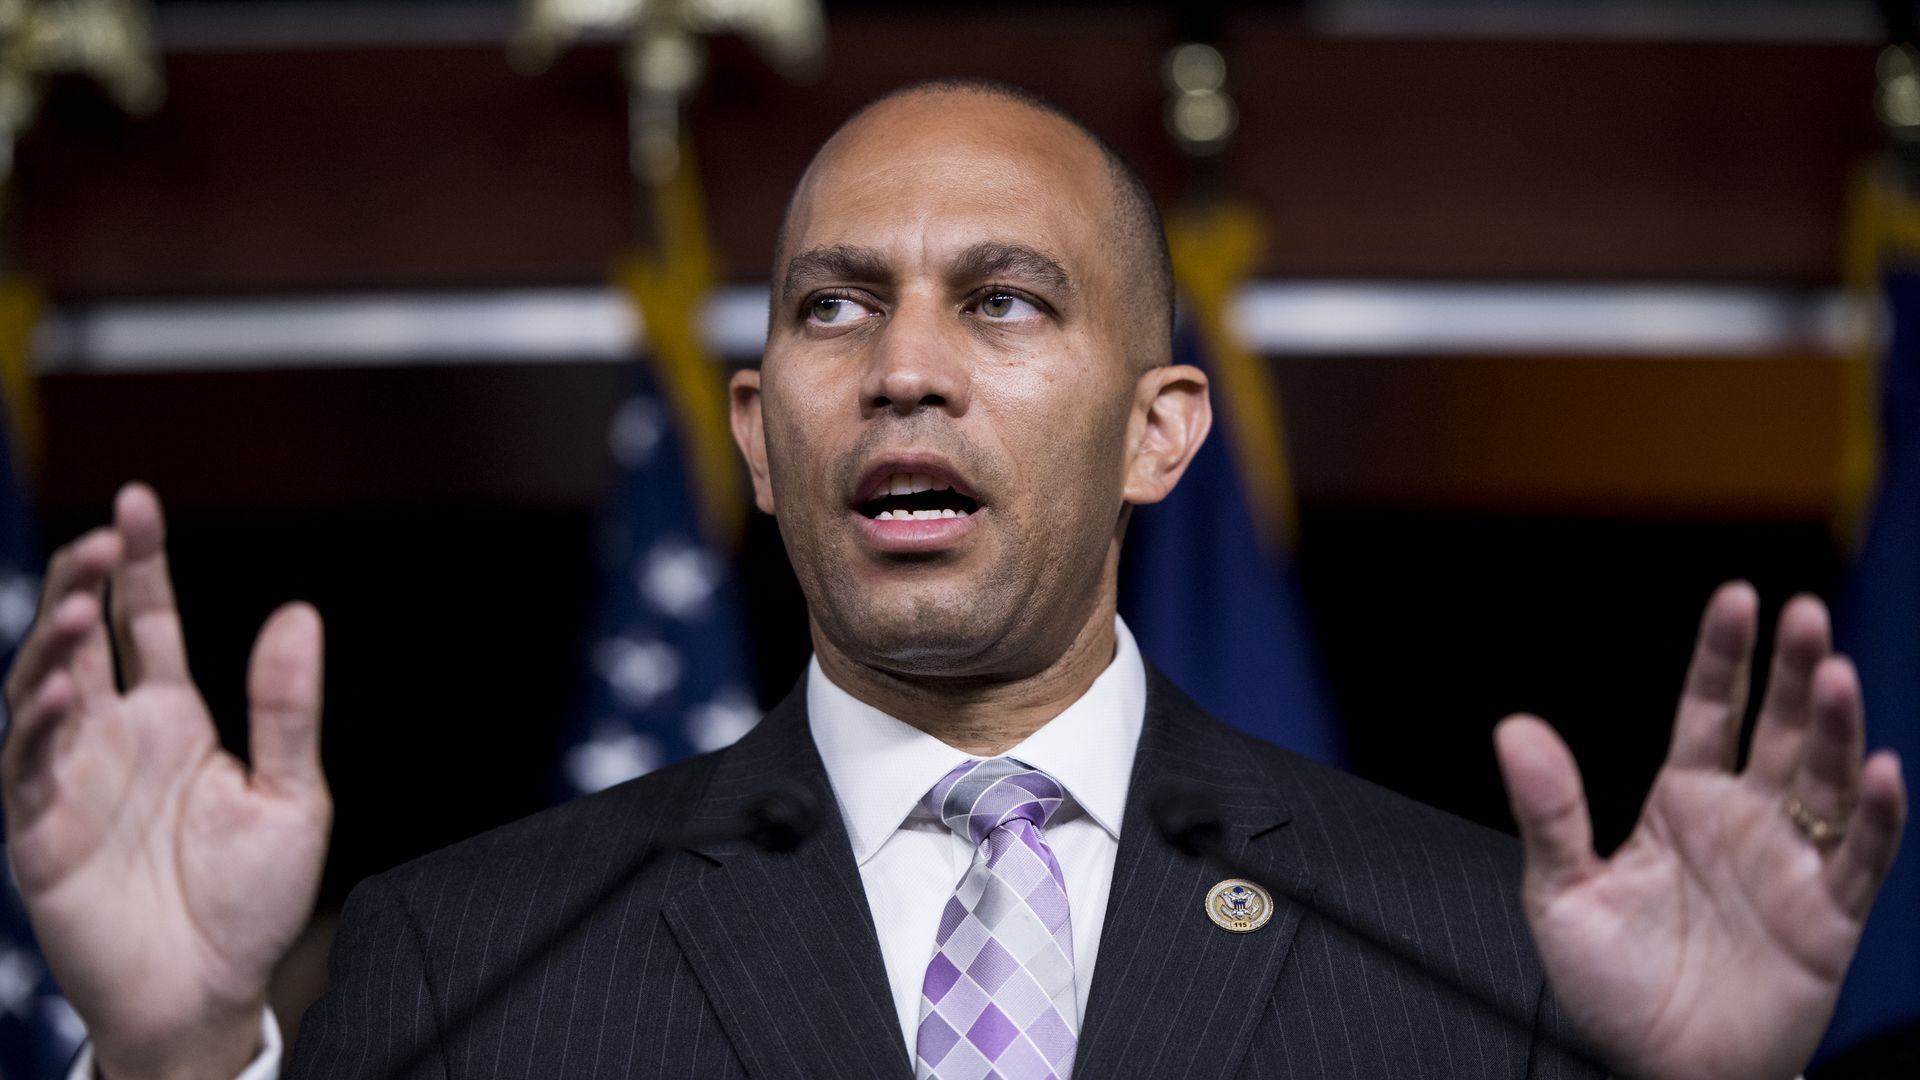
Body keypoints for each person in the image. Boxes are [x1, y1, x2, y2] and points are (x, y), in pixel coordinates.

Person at [2, 79, 1907, 1080]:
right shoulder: (461, 960)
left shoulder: (1486, 957)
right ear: (757, 433)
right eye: (838, 307)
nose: (903, 365)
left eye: (1003, 301)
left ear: (1167, 431)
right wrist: (171, 1055)